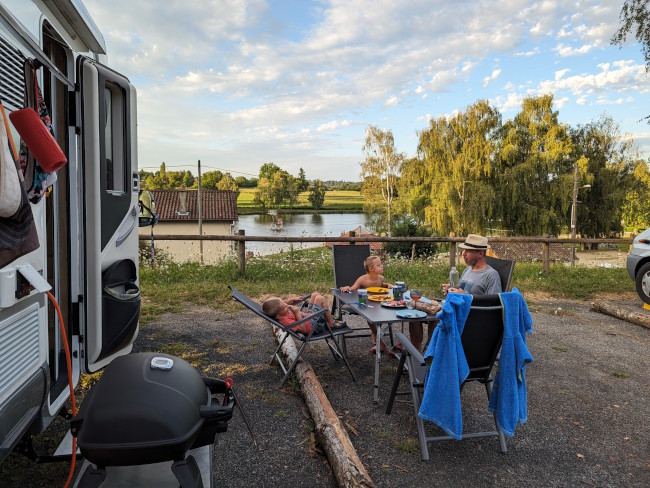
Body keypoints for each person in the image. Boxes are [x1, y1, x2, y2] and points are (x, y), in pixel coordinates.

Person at [410, 234, 502, 352]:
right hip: (455, 309)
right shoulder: (468, 269)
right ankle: (418, 352)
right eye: (463, 250)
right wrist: (452, 288)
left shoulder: (491, 275)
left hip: (470, 318)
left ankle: (433, 350)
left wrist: (466, 297)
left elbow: (494, 305)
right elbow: (463, 288)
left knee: (438, 316)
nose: (463, 253)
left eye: (468, 251)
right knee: (415, 313)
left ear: (480, 253)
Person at [340, 255, 394, 355]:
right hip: (367, 305)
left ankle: (375, 335)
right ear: (371, 268)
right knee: (371, 320)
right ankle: (379, 342)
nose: (382, 266)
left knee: (380, 316)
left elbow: (383, 285)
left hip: (378, 304)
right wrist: (347, 287)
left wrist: (388, 285)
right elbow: (352, 289)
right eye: (379, 265)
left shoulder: (380, 278)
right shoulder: (362, 280)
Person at [262, 292, 344, 335]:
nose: (287, 305)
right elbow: (303, 330)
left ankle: (328, 318)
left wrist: (292, 299)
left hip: (309, 318)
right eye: (284, 307)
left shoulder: (281, 312)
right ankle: (331, 322)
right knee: (320, 298)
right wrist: (297, 313)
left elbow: (283, 305)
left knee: (314, 294)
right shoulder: (286, 322)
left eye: (285, 303)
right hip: (313, 326)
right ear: (278, 315)